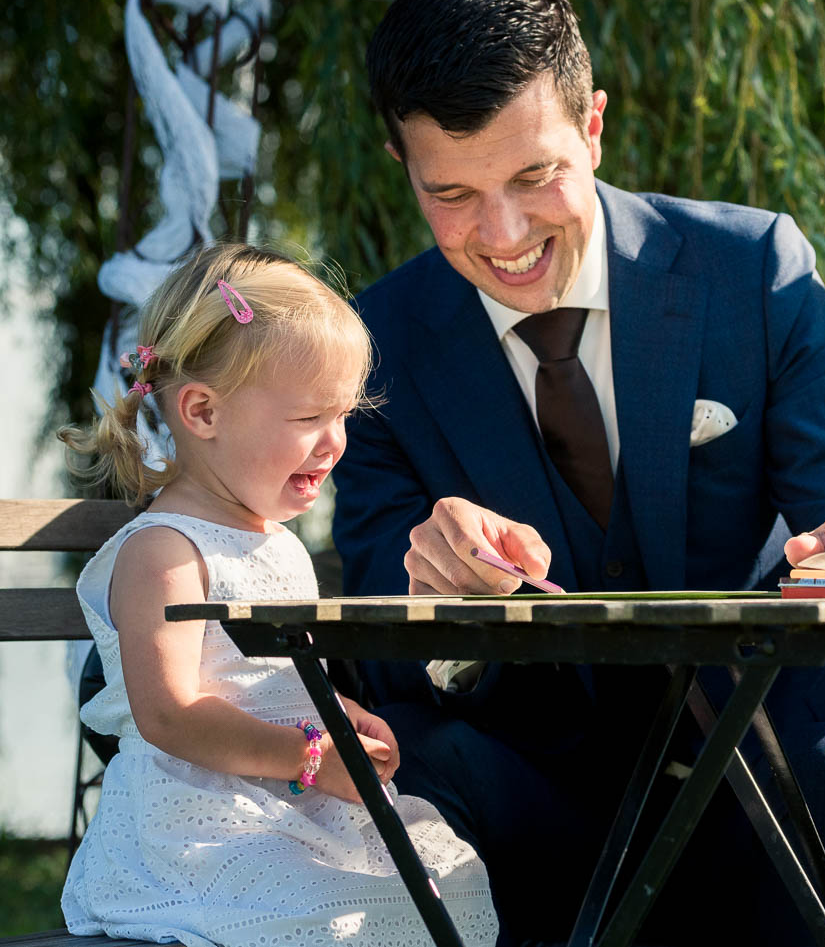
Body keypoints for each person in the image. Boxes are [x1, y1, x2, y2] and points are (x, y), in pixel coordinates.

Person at [329, 0, 825, 945]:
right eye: (452, 193)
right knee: (417, 769)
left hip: (756, 751)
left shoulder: (754, 269)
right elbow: (383, 611)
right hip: (530, 774)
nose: (501, 235)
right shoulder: (373, 341)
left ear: (592, 126)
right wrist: (438, 592)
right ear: (399, 163)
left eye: (533, 175)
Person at [56, 244, 498, 946]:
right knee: (321, 913)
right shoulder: (164, 552)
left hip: (291, 798)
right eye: (308, 419)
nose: (335, 442)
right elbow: (170, 714)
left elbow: (285, 683)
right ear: (203, 411)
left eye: (345, 414)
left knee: (440, 885)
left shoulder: (280, 544)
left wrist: (342, 716)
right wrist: (311, 755)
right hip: (202, 824)